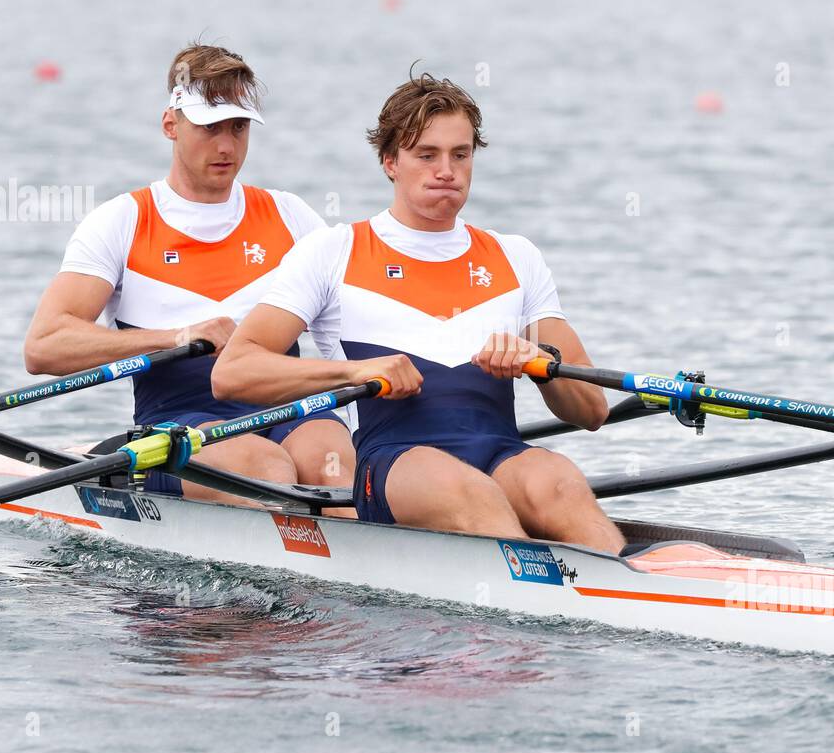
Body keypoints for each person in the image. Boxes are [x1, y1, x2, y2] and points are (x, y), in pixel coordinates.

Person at [211, 72, 622, 553]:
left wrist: (540, 364)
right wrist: (356, 370)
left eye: (460, 155)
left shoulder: (515, 257)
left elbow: (592, 411)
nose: (446, 170)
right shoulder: (334, 252)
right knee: (465, 491)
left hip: (501, 452)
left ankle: (633, 592)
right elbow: (233, 372)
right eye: (426, 155)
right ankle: (540, 598)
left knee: (559, 481)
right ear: (390, 162)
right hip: (393, 464)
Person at [23, 43, 354, 504]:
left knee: (333, 466)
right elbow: (43, 347)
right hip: (179, 425)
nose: (226, 146)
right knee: (264, 469)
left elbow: (349, 334)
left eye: (238, 128)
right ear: (171, 125)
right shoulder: (122, 222)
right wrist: (176, 337)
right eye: (209, 128)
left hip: (288, 408)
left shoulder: (290, 216)